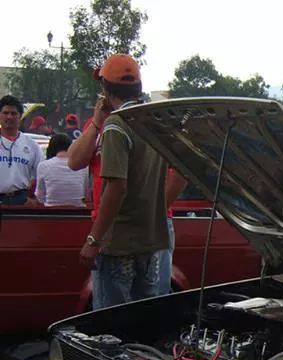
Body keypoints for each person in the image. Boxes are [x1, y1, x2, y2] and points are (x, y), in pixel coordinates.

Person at [78, 54, 185, 309]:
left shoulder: (116, 125)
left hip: (118, 243)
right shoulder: (155, 122)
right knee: (145, 318)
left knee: (111, 321)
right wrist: (155, 212)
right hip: (151, 242)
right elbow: (182, 172)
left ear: (106, 89)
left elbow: (117, 187)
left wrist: (93, 240)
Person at [0, 95, 43, 205]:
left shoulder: (32, 145)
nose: (9, 117)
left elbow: (41, 176)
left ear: (20, 116)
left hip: (22, 201)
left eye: (13, 113)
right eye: (5, 113)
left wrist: (35, 199)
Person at [36, 133, 87, 207]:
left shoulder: (43, 166)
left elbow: (40, 196)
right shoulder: (82, 165)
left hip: (51, 210)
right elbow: (86, 192)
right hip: (79, 210)